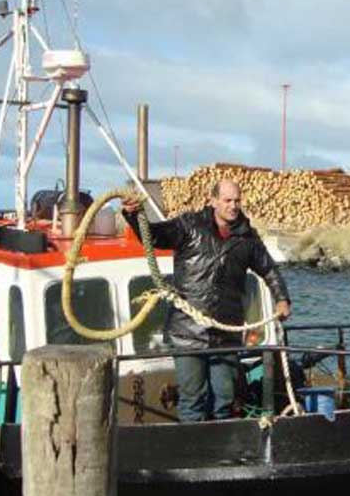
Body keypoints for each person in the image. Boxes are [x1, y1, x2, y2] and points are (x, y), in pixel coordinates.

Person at [122, 179, 292, 422]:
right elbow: (155, 236)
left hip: (225, 334)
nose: (233, 206)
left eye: (237, 201)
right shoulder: (189, 225)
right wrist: (133, 215)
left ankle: (223, 444)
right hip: (187, 332)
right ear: (213, 201)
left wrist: (282, 299)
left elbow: (269, 270)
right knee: (193, 399)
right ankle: (193, 443)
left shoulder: (247, 237)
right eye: (227, 200)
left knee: (225, 397)